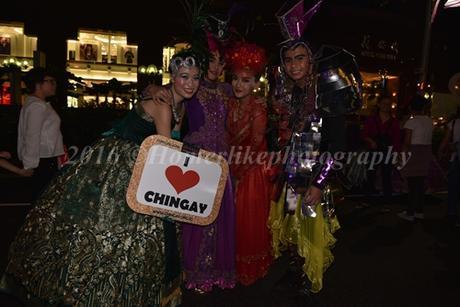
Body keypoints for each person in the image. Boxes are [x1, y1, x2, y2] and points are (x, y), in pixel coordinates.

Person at [0, 50, 202, 306]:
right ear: (172, 77)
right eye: (184, 76)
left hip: (138, 157)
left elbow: (172, 142)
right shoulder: (163, 103)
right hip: (123, 160)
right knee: (117, 224)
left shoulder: (177, 103)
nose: (190, 83)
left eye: (195, 78)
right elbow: (165, 151)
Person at [267, 39, 341, 294]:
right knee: (291, 225)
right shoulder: (292, 95)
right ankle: (295, 271)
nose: (293, 64)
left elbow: (337, 145)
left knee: (311, 229)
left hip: (314, 178)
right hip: (291, 177)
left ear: (311, 61)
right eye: (288, 59)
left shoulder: (326, 93)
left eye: (299, 57)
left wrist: (320, 183)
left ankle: (311, 280)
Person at [180, 37, 236, 292]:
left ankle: (216, 271)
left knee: (219, 214)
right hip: (198, 158)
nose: (216, 66)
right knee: (197, 213)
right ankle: (195, 271)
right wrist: (152, 91)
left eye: (220, 61)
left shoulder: (226, 90)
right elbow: (167, 95)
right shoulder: (191, 86)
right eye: (211, 60)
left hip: (222, 159)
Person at [225, 42, 272, 285]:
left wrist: (237, 175)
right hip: (233, 166)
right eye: (235, 79)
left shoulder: (258, 109)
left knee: (247, 221)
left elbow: (254, 147)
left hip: (252, 172)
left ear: (255, 83)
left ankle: (251, 266)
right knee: (231, 220)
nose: (238, 84)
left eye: (245, 80)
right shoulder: (230, 103)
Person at [17, 68, 64, 199]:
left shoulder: (35, 104)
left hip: (44, 160)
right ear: (38, 84)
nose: (54, 84)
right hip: (43, 161)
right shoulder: (37, 106)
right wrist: (29, 164)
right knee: (44, 201)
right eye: (51, 81)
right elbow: (32, 135)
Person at [398, 95, 433, 222]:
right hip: (426, 151)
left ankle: (410, 212)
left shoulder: (412, 122)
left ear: (411, 107)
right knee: (420, 183)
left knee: (412, 184)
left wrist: (402, 156)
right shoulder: (429, 121)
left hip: (414, 151)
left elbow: (407, 141)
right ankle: (419, 211)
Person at [362, 95, 401, 206]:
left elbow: (397, 140)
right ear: (379, 105)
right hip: (373, 150)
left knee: (387, 177)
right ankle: (367, 199)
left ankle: (387, 203)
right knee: (370, 175)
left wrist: (397, 154)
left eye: (388, 104)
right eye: (384, 103)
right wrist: (371, 141)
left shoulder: (394, 122)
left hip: (387, 151)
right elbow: (364, 134)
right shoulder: (372, 119)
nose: (386, 106)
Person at [438, 105, 460, 226]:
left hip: (455, 157)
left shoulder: (454, 123)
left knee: (453, 186)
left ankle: (452, 213)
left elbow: (445, 140)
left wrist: (440, 152)